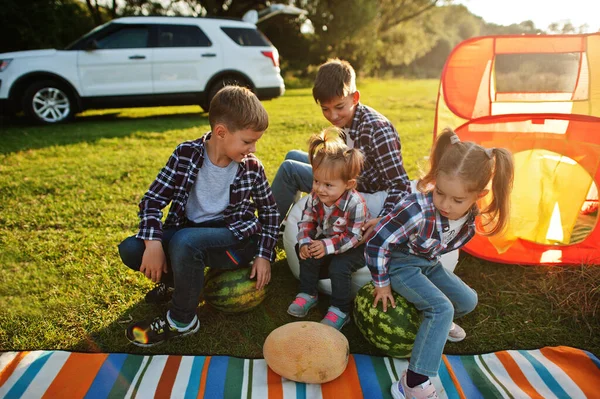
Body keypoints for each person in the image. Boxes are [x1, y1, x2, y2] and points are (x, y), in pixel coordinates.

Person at [117, 86, 280, 347]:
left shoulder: (251, 167)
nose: (254, 148)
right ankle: (177, 286)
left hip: (233, 241)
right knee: (131, 248)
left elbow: (270, 212)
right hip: (190, 234)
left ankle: (183, 321)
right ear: (221, 132)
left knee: (185, 241)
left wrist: (263, 255)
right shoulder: (185, 155)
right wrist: (153, 243)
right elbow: (152, 200)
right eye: (248, 141)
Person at [365, 129, 514, 399]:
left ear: (478, 195)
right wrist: (382, 284)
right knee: (441, 308)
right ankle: (412, 381)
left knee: (468, 301)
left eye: (457, 200)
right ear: (436, 180)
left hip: (427, 263)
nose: (445, 204)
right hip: (400, 265)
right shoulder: (417, 208)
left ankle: (436, 327)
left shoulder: (469, 215)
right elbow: (377, 242)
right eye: (440, 193)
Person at [271, 58, 411, 239]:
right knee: (292, 156)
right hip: (348, 173)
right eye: (325, 109)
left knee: (290, 170)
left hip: (365, 191)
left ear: (355, 98)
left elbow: (401, 185)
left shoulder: (377, 130)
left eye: (339, 107)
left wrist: (383, 220)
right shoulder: (348, 119)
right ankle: (285, 224)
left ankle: (265, 235)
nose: (333, 116)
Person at [287, 128, 369, 330]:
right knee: (307, 251)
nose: (319, 189)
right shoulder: (316, 197)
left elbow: (353, 236)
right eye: (316, 181)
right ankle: (308, 292)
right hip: (331, 237)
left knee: (339, 266)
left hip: (357, 245)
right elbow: (307, 221)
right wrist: (306, 242)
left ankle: (340, 309)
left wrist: (326, 245)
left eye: (328, 185)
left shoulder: (355, 204)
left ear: (348, 184)